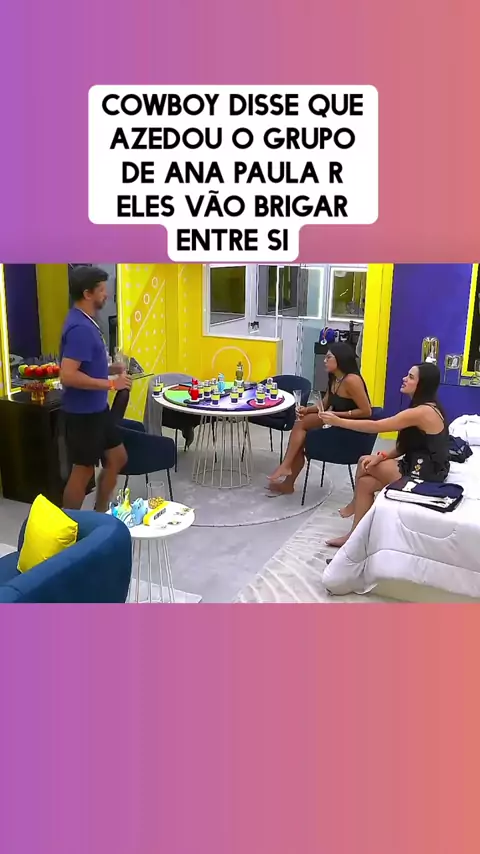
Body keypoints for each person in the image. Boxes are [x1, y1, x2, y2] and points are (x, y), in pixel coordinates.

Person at [322, 361, 450, 548]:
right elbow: (405, 446)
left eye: (411, 377)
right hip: (419, 463)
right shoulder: (422, 407)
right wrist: (382, 457)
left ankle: (354, 508)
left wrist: (338, 421)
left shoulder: (423, 412)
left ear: (422, 384)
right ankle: (355, 536)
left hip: (427, 473)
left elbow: (376, 426)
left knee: (364, 462)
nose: (404, 379)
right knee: (365, 482)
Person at [60, 266, 132, 511]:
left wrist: (109, 369)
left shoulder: (87, 322)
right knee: (83, 471)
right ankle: (68, 526)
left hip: (97, 410)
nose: (106, 294)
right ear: (87, 293)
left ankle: (100, 514)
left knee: (117, 457)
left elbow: (85, 365)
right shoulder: (80, 329)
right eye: (101, 290)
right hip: (83, 414)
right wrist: (111, 383)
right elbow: (68, 375)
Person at [267, 342, 372, 494]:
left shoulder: (352, 380)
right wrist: (307, 409)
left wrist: (336, 415)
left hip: (350, 428)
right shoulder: (334, 378)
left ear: (340, 359)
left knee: (301, 435)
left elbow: (366, 411)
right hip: (333, 419)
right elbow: (325, 404)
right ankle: (287, 474)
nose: (324, 360)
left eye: (329, 357)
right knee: (301, 423)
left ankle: (287, 470)